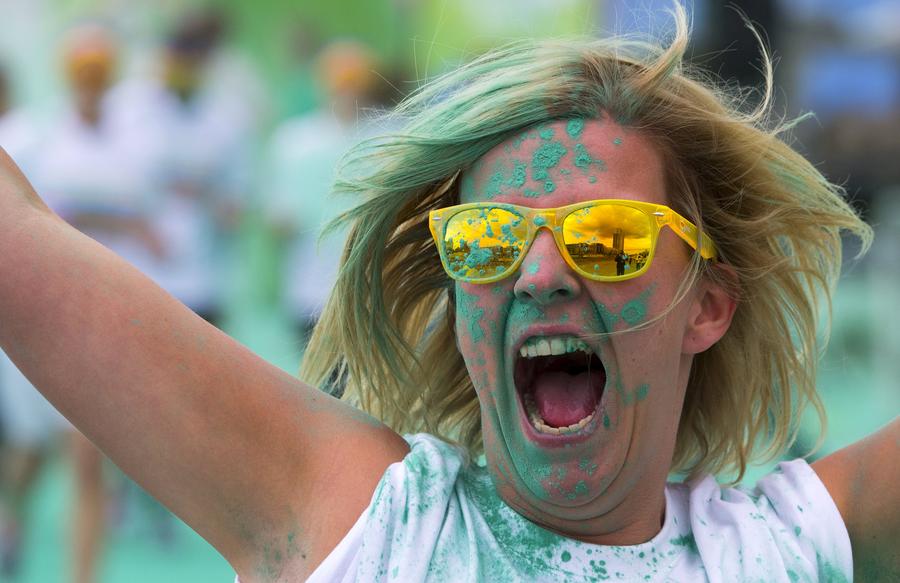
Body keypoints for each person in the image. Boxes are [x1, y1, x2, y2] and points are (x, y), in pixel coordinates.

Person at [0, 5, 897, 582]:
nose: (541, 273)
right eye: (489, 243)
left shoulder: (785, 546)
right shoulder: (371, 529)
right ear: (461, 308)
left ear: (706, 304)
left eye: (610, 240)